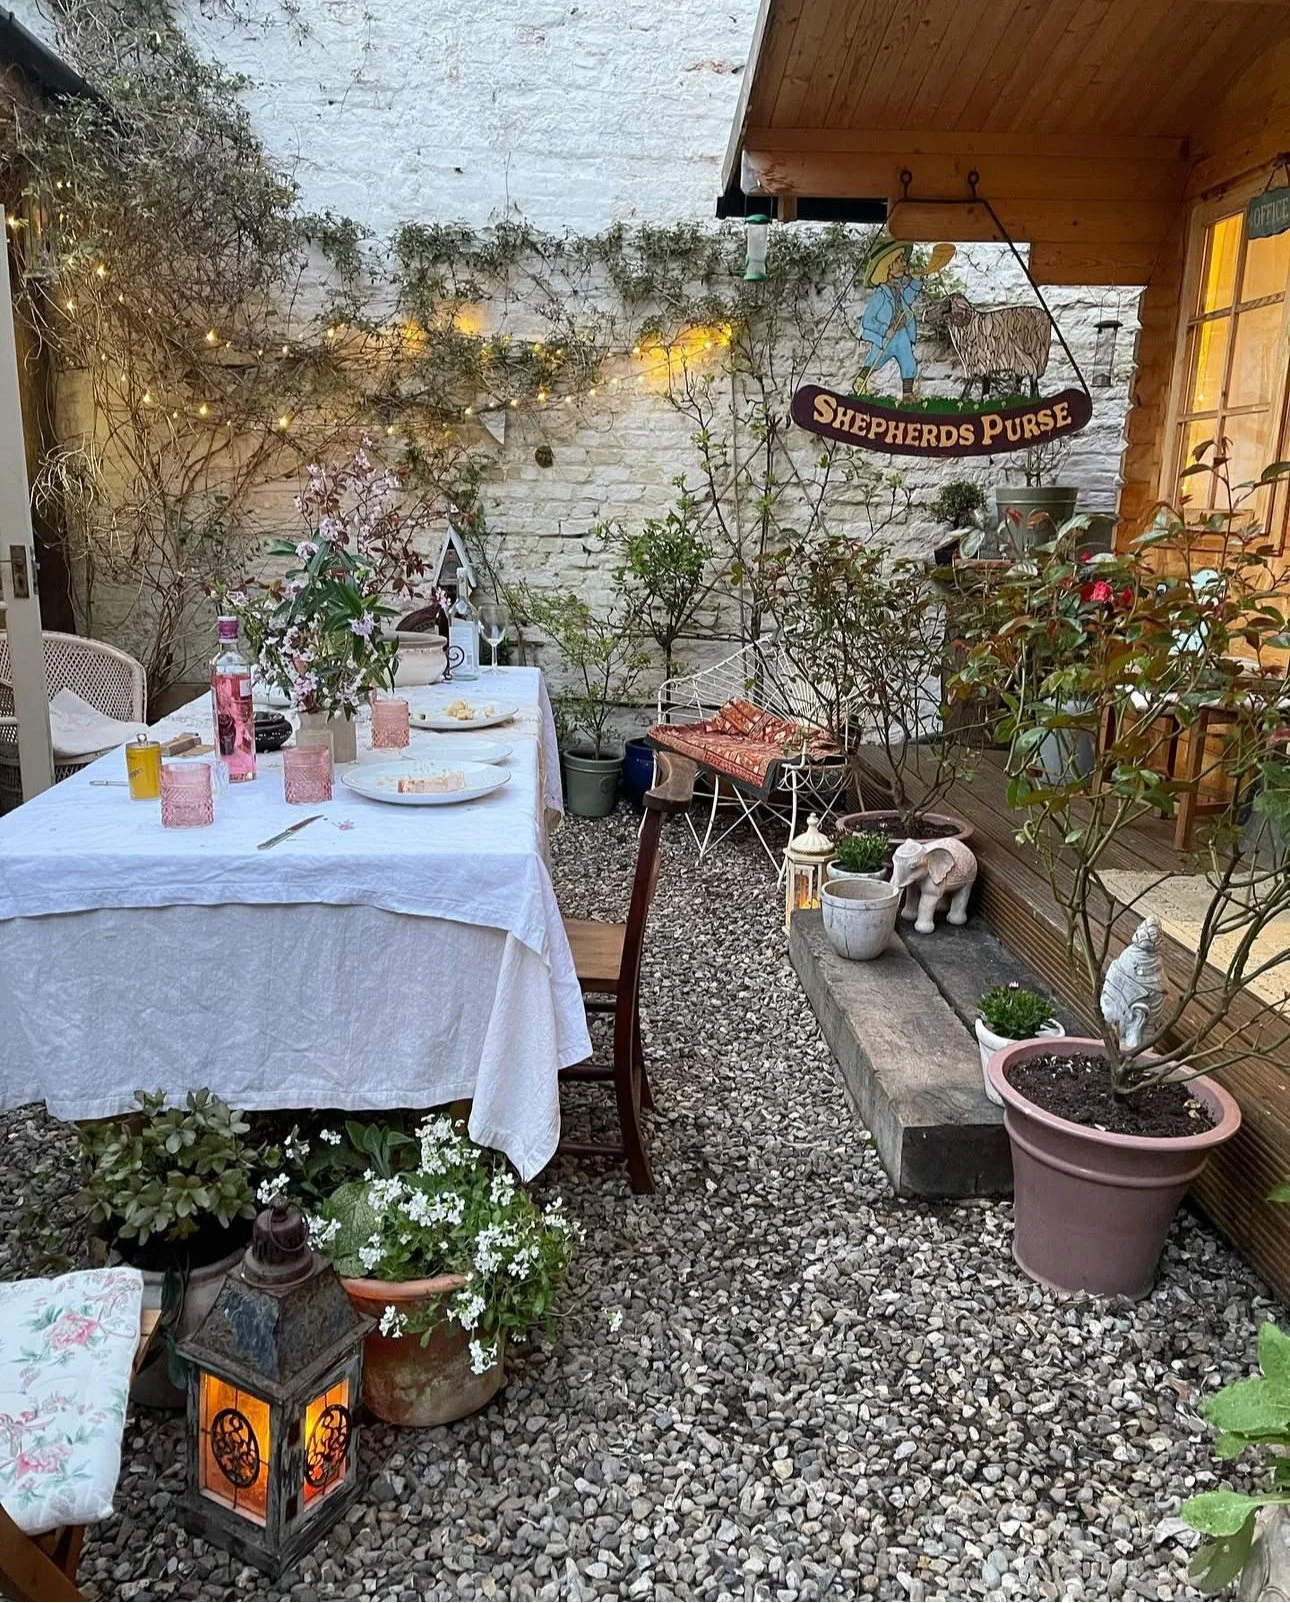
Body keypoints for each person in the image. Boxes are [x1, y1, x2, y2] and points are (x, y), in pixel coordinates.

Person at [855, 241, 953, 399]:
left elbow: (908, 298)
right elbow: (868, 320)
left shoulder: (898, 290)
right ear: (887, 266)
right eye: (899, 260)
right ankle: (860, 382)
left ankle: (907, 394)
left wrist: (916, 280)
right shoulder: (881, 294)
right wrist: (884, 330)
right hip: (886, 338)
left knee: (909, 362)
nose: (904, 263)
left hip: (901, 334)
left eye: (903, 260)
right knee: (874, 360)